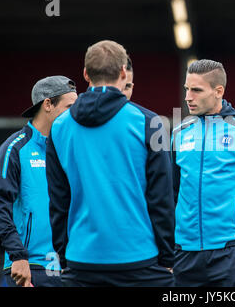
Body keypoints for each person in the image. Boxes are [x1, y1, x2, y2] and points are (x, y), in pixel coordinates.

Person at [46, 40, 175, 287]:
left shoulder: (59, 128)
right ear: (123, 73)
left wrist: (65, 257)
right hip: (140, 260)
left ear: (85, 74)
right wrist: (167, 256)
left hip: (81, 261)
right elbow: (161, 198)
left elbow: (58, 201)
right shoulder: (150, 123)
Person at [172, 59, 235, 286]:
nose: (188, 97)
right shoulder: (178, 134)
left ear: (218, 91)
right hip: (185, 254)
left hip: (232, 253)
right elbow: (169, 194)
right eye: (186, 89)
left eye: (196, 90)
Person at [0, 76, 78, 287]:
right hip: (30, 268)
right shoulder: (15, 148)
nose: (75, 115)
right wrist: (18, 256)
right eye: (70, 107)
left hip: (72, 268)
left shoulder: (73, 149)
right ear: (48, 104)